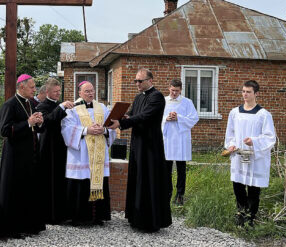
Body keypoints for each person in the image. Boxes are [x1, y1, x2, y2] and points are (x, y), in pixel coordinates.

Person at [108, 68, 172, 232]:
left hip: (151, 146)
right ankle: (136, 217)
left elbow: (145, 116)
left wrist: (122, 124)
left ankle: (150, 221)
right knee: (137, 178)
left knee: (149, 179)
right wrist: (122, 117)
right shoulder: (138, 97)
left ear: (150, 81)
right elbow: (133, 114)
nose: (137, 84)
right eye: (136, 81)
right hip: (138, 144)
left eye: (140, 81)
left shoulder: (156, 97)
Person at [0, 74, 46, 239]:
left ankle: (28, 226)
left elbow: (34, 129)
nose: (34, 89)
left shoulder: (30, 104)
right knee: (15, 192)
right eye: (31, 87)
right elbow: (4, 130)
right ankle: (12, 228)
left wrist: (38, 123)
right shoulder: (9, 105)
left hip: (29, 156)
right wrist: (28, 123)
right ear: (21, 87)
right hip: (14, 157)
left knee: (28, 191)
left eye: (34, 86)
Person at [61, 81, 116, 225]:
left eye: (92, 90)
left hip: (98, 153)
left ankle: (97, 217)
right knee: (81, 184)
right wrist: (86, 130)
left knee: (99, 182)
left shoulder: (102, 108)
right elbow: (66, 129)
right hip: (81, 155)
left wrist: (104, 130)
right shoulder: (72, 109)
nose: (91, 93)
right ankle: (79, 218)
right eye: (87, 91)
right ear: (79, 93)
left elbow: (111, 126)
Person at [224, 80, 276, 227]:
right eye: (243, 91)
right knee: (238, 186)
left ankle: (250, 218)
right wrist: (231, 145)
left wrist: (253, 141)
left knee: (253, 188)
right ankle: (241, 215)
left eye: (248, 92)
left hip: (254, 157)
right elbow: (230, 133)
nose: (245, 94)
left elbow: (270, 137)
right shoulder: (235, 113)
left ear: (256, 94)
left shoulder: (263, 114)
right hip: (239, 156)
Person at [36, 78, 74, 224]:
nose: (58, 94)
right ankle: (48, 215)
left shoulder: (59, 105)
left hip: (61, 146)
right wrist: (62, 108)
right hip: (48, 148)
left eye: (59, 91)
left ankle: (61, 214)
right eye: (55, 91)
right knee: (49, 180)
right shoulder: (41, 106)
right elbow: (47, 121)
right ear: (47, 92)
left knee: (60, 180)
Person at [162, 79, 199, 205]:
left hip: (181, 139)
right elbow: (157, 117)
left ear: (181, 90)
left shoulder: (187, 102)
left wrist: (179, 118)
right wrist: (166, 119)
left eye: (177, 91)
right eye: (172, 90)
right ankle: (166, 193)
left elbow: (194, 118)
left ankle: (180, 195)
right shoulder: (163, 101)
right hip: (167, 139)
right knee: (166, 168)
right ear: (169, 88)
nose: (174, 93)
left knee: (181, 169)